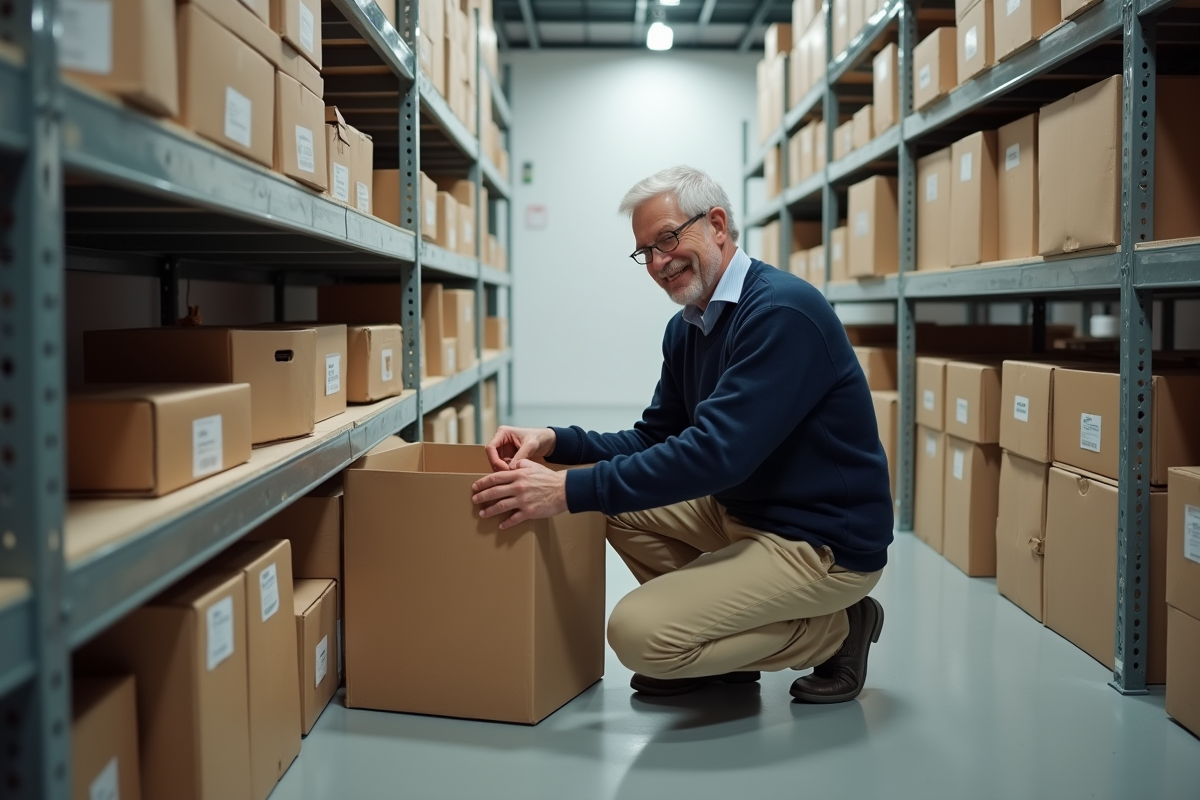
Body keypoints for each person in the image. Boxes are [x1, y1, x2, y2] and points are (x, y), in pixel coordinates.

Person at [470, 165, 893, 703]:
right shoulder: (690, 325)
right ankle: (721, 653)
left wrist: (565, 492)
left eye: (667, 239)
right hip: (743, 514)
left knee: (638, 635)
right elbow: (655, 438)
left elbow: (718, 456)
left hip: (820, 542)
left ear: (717, 223)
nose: (658, 262)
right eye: (644, 252)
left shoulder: (783, 312)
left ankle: (839, 630)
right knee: (601, 498)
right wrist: (559, 442)